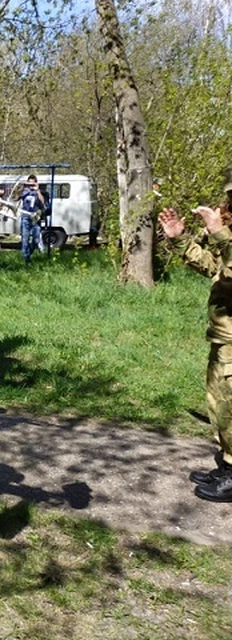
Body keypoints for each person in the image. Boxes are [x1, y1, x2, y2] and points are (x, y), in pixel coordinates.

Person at [159, 170, 232, 502]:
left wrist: (219, 234)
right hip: (223, 333)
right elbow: (215, 268)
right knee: (220, 402)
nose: (228, 201)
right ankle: (228, 465)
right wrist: (180, 239)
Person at [20, 174, 45, 264]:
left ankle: (28, 253)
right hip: (25, 217)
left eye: (32, 184)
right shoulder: (24, 192)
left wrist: (37, 190)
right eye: (29, 183)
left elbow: (42, 202)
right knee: (25, 239)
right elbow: (17, 197)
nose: (31, 186)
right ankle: (27, 260)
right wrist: (24, 187)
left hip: (35, 218)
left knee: (36, 239)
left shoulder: (38, 192)